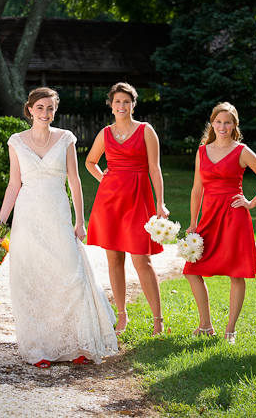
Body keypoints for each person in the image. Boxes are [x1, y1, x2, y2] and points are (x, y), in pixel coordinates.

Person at [0, 87, 118, 368]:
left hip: (58, 213)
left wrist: (80, 220)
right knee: (34, 280)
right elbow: (14, 184)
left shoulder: (65, 139)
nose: (45, 113)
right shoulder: (16, 141)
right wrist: (0, 225)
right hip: (28, 217)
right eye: (40, 108)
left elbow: (74, 181)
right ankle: (39, 348)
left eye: (50, 108)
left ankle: (77, 344)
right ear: (30, 109)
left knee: (68, 274)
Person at [183, 102, 256, 343]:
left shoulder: (242, 151)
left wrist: (250, 202)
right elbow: (196, 189)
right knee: (192, 270)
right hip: (209, 217)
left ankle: (230, 329)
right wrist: (193, 222)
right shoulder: (202, 151)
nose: (222, 126)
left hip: (234, 217)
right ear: (212, 123)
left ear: (234, 125)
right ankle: (205, 325)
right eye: (218, 121)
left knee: (236, 274)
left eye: (227, 122)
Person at [85, 82, 169, 336]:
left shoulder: (146, 130)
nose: (121, 106)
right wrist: (106, 179)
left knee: (141, 259)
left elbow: (155, 168)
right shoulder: (105, 133)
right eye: (117, 101)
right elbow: (90, 162)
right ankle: (122, 316)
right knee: (114, 258)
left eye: (126, 101)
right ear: (111, 105)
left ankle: (158, 319)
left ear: (133, 104)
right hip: (110, 202)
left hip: (138, 199)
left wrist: (160, 202)